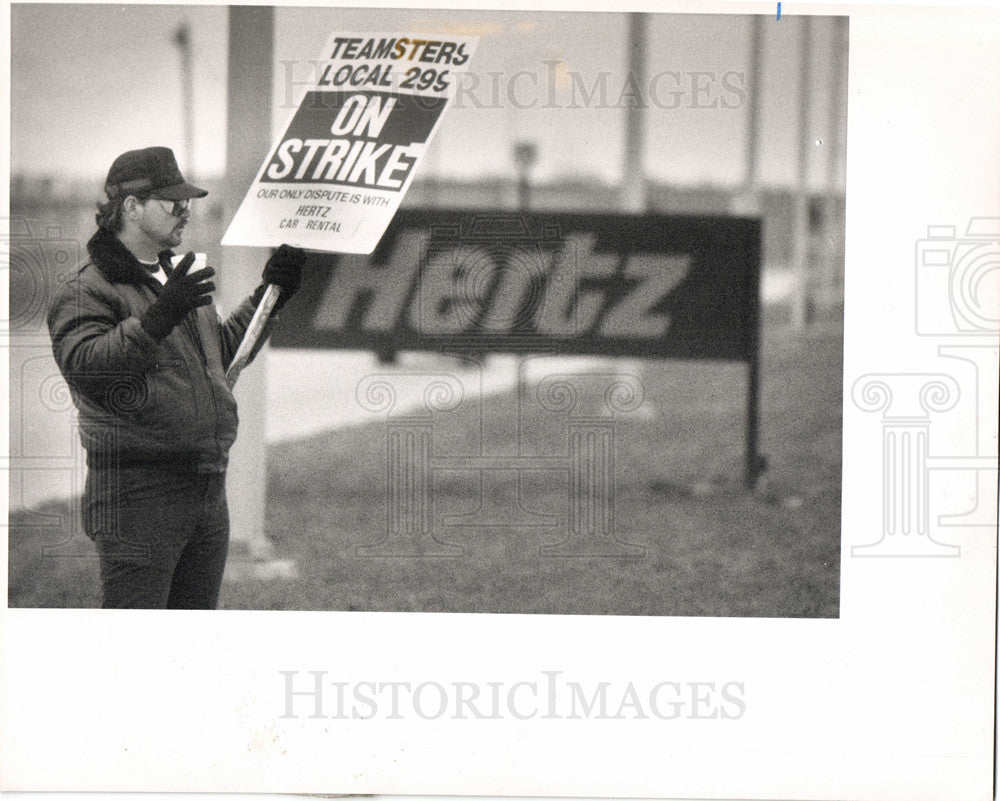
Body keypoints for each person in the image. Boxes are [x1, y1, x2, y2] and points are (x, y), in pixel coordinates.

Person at [47, 146, 307, 609]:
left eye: (188, 202)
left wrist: (272, 294)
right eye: (173, 203)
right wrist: (159, 315)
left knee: (192, 642)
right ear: (131, 206)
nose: (186, 212)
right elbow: (89, 369)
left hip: (205, 488)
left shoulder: (177, 277)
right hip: (138, 493)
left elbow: (222, 358)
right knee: (137, 647)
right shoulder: (86, 287)